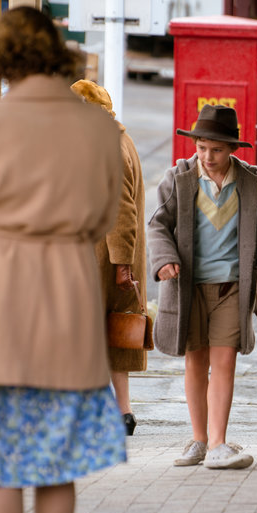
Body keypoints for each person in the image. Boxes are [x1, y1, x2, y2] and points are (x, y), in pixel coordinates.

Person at [0, 7, 126, 513]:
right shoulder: (99, 130)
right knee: (56, 466)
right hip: (68, 299)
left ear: (2, 56)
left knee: (1, 467)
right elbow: (106, 216)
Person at [148, 104, 257, 470]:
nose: (207, 157)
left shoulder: (250, 182)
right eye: (201, 148)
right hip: (188, 287)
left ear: (232, 150)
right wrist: (163, 259)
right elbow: (157, 225)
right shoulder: (178, 178)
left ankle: (218, 444)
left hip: (231, 289)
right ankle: (199, 440)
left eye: (216, 150)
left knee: (224, 361)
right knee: (195, 362)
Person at [71, 79, 148, 437]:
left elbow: (121, 210)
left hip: (105, 259)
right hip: (115, 259)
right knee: (116, 335)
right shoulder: (120, 140)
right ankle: (122, 412)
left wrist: (121, 265)